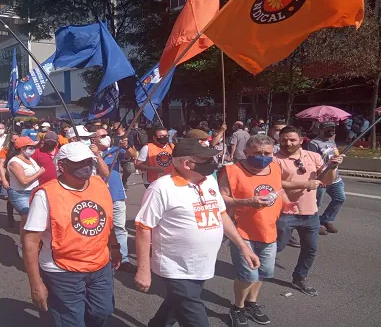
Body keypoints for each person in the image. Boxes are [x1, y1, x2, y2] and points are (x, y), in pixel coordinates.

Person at [134, 138, 260, 327]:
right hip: (176, 267)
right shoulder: (161, 189)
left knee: (176, 304)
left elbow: (221, 214)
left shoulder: (208, 180)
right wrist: (143, 270)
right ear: (187, 164)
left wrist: (243, 247)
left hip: (202, 264)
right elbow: (143, 228)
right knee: (193, 314)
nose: (213, 164)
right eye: (206, 160)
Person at [23, 142, 122, 326]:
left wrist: (115, 246)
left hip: (100, 266)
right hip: (62, 270)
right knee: (71, 321)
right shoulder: (46, 195)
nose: (85, 166)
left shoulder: (99, 184)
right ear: (62, 165)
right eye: (78, 162)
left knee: (103, 311)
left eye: (88, 161)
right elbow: (30, 241)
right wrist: (36, 284)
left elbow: (107, 221)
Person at [219, 135, 297, 326]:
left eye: (267, 153)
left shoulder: (275, 167)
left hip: (269, 231)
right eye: (257, 153)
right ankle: (237, 308)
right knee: (247, 276)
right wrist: (245, 202)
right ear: (246, 152)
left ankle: (251, 303)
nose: (263, 157)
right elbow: (221, 199)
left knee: (262, 273)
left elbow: (279, 191)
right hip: (242, 233)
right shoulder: (231, 170)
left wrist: (287, 203)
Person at [274, 126, 344, 296]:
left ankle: (299, 278)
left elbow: (326, 181)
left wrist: (332, 167)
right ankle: (256, 272)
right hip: (285, 213)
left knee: (310, 249)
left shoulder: (313, 156)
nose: (288, 143)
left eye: (292, 139)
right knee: (277, 247)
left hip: (310, 213)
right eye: (284, 140)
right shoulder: (275, 159)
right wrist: (304, 184)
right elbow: (274, 184)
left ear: (300, 139)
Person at [92, 127, 137, 272]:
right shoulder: (87, 153)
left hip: (116, 195)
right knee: (98, 228)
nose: (106, 137)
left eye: (107, 135)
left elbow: (132, 154)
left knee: (119, 228)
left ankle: (123, 259)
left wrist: (126, 146)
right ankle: (102, 257)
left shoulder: (115, 151)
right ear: (94, 139)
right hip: (96, 197)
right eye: (102, 135)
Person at [7, 137, 45, 258]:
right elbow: (23, 181)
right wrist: (39, 173)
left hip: (35, 191)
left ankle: (37, 243)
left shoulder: (29, 158)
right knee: (27, 217)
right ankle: (23, 245)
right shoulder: (14, 162)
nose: (33, 149)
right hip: (19, 194)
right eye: (30, 147)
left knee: (39, 218)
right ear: (22, 149)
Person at [307, 122, 346, 235]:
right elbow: (312, 161)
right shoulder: (313, 143)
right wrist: (319, 178)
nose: (331, 131)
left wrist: (337, 159)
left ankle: (326, 219)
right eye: (328, 129)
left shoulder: (332, 141)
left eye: (333, 128)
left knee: (340, 198)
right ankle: (315, 224)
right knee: (316, 203)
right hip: (321, 178)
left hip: (335, 178)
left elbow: (333, 156)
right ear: (321, 130)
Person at [0, 132, 20, 228]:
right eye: (14, 139)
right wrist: (3, 178)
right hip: (9, 176)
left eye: (17, 139)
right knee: (11, 198)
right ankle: (10, 217)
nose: (16, 141)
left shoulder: (23, 149)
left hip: (22, 175)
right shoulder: (5, 150)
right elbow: (1, 165)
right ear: (9, 140)